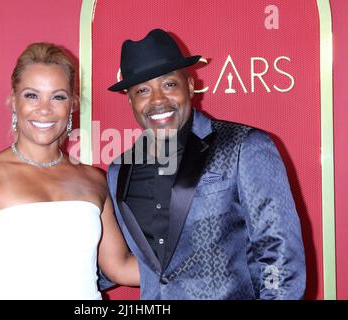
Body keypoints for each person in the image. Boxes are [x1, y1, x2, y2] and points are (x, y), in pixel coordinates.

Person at [103, 28, 305, 299]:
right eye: (143, 90)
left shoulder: (243, 145)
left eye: (169, 84)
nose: (158, 100)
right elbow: (127, 263)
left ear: (189, 85)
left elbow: (279, 255)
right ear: (130, 100)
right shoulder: (120, 170)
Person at [0, 43, 139, 300]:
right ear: (13, 100)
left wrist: (198, 262)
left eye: (58, 97)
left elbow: (120, 267)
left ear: (72, 104)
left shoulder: (94, 180)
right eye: (32, 95)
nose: (45, 109)